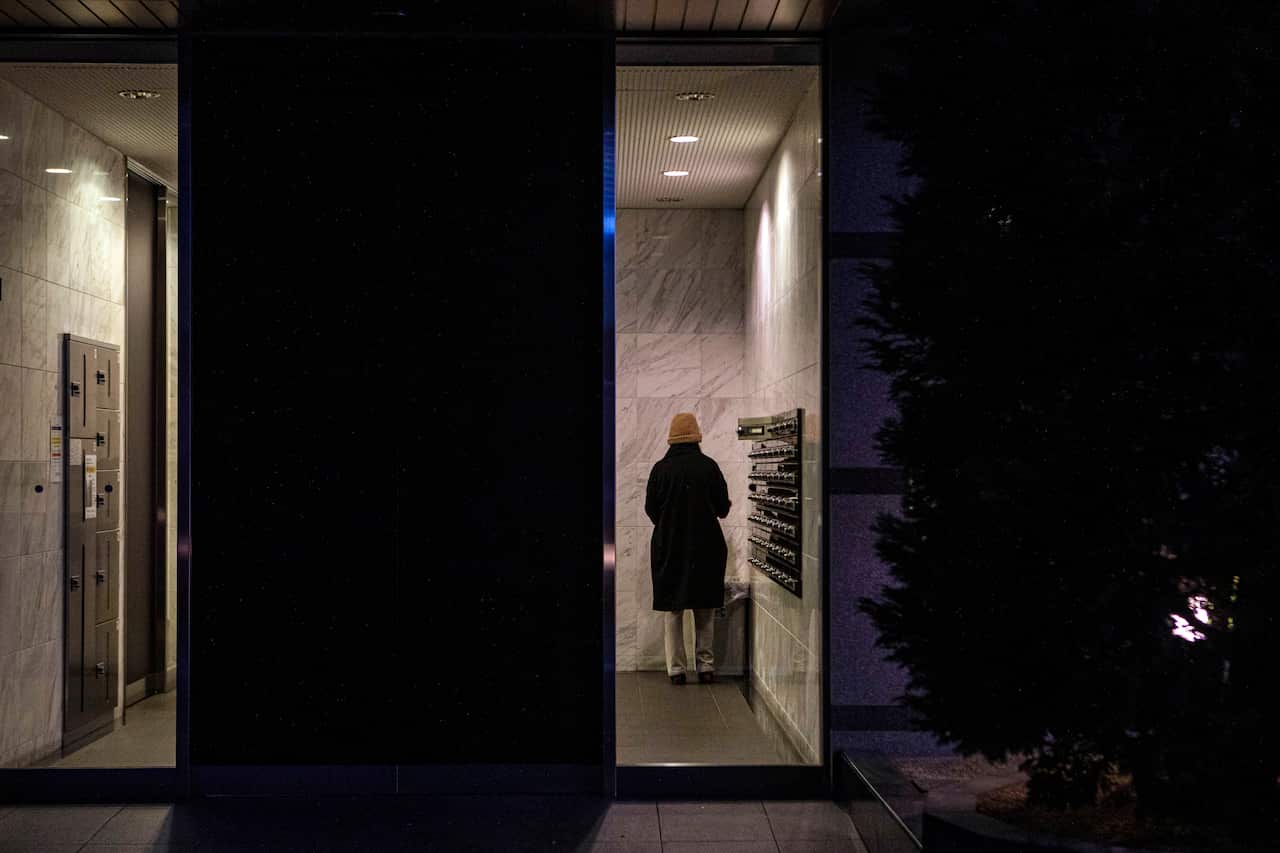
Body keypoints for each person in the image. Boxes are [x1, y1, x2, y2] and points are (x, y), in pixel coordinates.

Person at [644, 412, 731, 685]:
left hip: (669, 545)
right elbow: (723, 508)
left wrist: (670, 523)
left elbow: (651, 509)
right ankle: (706, 667)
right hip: (705, 545)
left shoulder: (660, 469)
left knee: (673, 608)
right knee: (704, 606)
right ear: (697, 436)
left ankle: (676, 670)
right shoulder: (709, 467)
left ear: (671, 438)